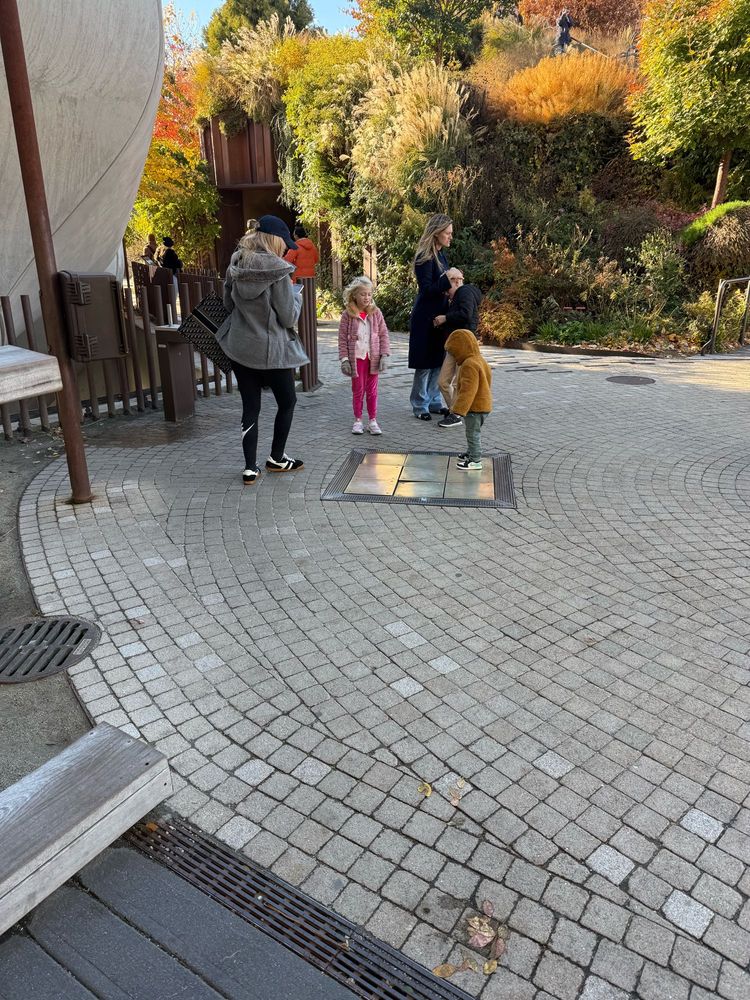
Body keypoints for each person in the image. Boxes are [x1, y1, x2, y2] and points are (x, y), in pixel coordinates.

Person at [218, 215, 308, 485]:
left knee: (250, 407)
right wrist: (296, 295)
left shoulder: (236, 263)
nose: (287, 248)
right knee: (288, 402)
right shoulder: (279, 271)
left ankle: (249, 468)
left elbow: (227, 303)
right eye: (285, 243)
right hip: (272, 351)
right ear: (274, 240)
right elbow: (288, 318)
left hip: (241, 347)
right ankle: (277, 458)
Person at [408, 214, 463, 420]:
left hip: (440, 316)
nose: (450, 237)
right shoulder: (424, 257)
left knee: (437, 361)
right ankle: (419, 405)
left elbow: (442, 284)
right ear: (437, 233)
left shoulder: (441, 255)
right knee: (424, 364)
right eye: (447, 233)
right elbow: (426, 289)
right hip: (425, 316)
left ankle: (433, 401)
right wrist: (448, 280)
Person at [338, 276, 390, 436]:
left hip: (372, 357)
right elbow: (341, 339)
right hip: (357, 358)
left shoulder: (376, 313)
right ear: (354, 295)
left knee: (372, 390)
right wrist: (344, 359)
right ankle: (358, 420)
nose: (366, 298)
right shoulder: (348, 315)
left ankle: (373, 421)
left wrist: (384, 355)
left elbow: (383, 334)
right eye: (363, 294)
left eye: (369, 294)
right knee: (358, 390)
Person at [433, 275, 483, 428]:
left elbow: (465, 315)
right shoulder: (458, 296)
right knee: (443, 382)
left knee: (457, 383)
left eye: (447, 289)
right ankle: (455, 411)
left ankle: (456, 414)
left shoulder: (465, 291)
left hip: (465, 345)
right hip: (455, 345)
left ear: (456, 282)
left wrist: (445, 318)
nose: (446, 293)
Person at [444, 328, 493, 471]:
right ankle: (471, 452)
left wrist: (458, 410)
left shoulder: (469, 365)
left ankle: (475, 460)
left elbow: (467, 391)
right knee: (474, 432)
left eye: (454, 352)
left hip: (475, 408)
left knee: (472, 434)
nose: (453, 356)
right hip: (484, 405)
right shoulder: (479, 360)